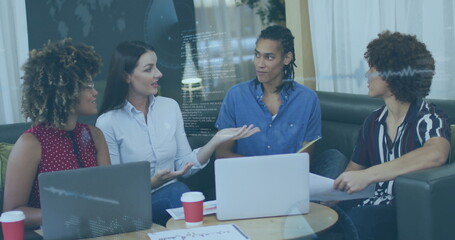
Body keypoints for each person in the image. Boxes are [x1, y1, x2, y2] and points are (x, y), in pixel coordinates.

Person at [96, 41, 259, 226]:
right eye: (149, 69)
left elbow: (184, 163)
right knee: (178, 192)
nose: (159, 73)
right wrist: (152, 183)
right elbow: (116, 190)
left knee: (181, 194)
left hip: (173, 197)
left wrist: (216, 140)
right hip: (134, 207)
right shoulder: (108, 122)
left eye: (156, 66)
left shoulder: (169, 107)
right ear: (126, 76)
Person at [331, 31, 451, 240]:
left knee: (361, 218)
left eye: (373, 69)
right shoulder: (372, 121)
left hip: (403, 210)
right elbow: (352, 172)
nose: (366, 74)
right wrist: (326, 197)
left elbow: (436, 154)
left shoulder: (429, 118)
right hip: (366, 207)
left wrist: (369, 175)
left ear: (394, 74)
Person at [3, 38, 110, 229]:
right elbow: (12, 214)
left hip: (98, 229)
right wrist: (66, 212)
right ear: (65, 89)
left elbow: (109, 194)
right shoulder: (31, 143)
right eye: (88, 86)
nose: (95, 93)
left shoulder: (96, 135)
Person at [215, 25, 347, 178]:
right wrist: (266, 168)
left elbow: (303, 162)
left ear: (287, 58)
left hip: (290, 180)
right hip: (248, 178)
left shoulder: (307, 100)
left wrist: (278, 173)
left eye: (269, 57)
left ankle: (315, 201)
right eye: (257, 55)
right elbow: (222, 155)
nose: (260, 64)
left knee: (334, 158)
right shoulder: (236, 96)